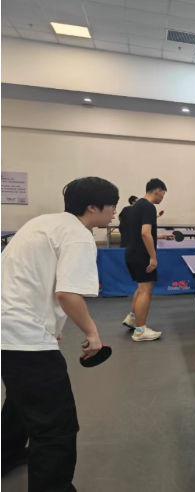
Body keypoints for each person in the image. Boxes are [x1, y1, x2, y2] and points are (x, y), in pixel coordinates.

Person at [1, 177, 118, 489]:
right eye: (111, 206)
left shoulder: (42, 223)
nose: (114, 212)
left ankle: (6, 455)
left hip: (8, 329)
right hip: (24, 336)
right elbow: (67, 294)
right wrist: (92, 334)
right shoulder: (79, 236)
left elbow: (26, 276)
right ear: (92, 207)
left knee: (21, 399)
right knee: (56, 429)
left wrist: (50, 325)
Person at [122, 178, 173, 341]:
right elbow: (145, 234)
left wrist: (162, 236)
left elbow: (142, 232)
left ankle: (132, 318)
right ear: (158, 190)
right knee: (145, 290)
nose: (163, 197)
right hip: (142, 255)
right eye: (163, 193)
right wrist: (153, 257)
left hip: (131, 253)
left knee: (140, 288)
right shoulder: (150, 207)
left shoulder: (136, 206)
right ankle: (140, 331)